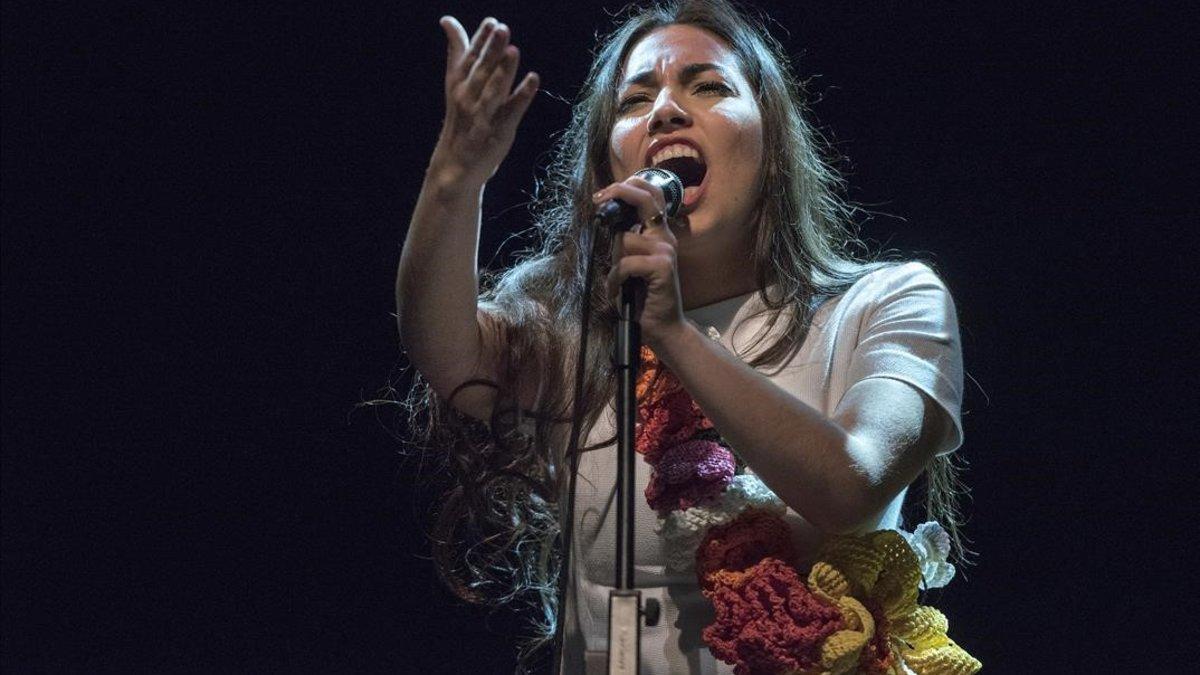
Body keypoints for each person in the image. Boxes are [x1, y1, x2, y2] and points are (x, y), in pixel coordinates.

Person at [393, 1, 973, 672]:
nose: (665, 110)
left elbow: (853, 485)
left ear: (773, 149)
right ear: (612, 170)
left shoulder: (886, 303)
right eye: (636, 100)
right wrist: (454, 178)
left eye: (709, 86)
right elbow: (444, 349)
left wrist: (672, 333)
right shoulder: (571, 323)